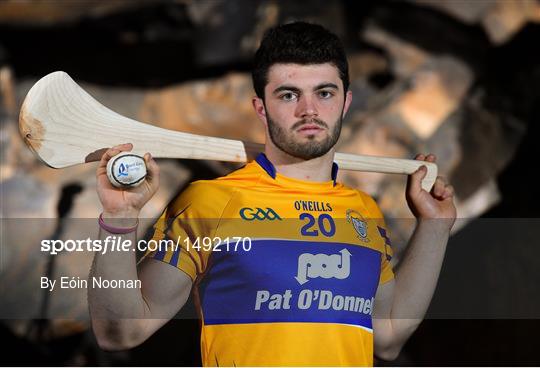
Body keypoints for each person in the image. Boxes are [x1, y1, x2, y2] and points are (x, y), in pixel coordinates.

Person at [89, 22, 456, 366]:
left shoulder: (363, 212)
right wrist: (119, 220)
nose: (309, 110)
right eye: (288, 94)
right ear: (261, 109)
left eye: (324, 93)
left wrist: (435, 227)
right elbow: (121, 331)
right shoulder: (211, 202)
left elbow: (389, 333)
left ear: (345, 102)